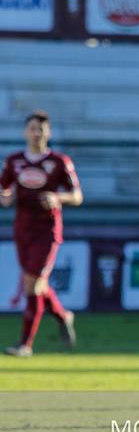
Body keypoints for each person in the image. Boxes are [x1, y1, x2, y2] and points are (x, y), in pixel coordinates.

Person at [1, 110, 81, 357]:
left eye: (41, 129)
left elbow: (77, 196)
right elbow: (4, 192)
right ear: (25, 132)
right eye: (33, 128)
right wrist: (7, 197)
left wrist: (58, 197)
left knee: (33, 284)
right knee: (35, 283)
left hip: (47, 230)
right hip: (22, 229)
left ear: (49, 132)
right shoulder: (14, 161)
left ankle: (25, 344)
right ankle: (63, 315)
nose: (37, 133)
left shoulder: (59, 161)